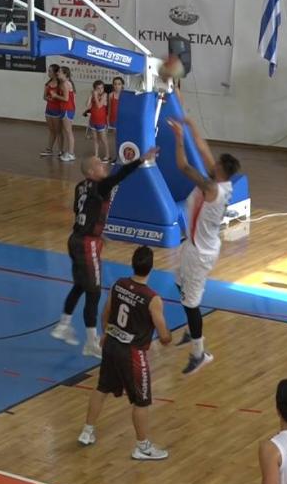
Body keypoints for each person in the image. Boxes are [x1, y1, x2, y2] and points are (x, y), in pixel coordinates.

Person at [51, 147, 159, 357]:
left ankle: (63, 324)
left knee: (81, 285)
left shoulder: (81, 186)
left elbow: (81, 212)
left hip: (76, 239)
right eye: (99, 164)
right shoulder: (101, 186)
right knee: (94, 292)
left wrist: (99, 233)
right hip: (86, 243)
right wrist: (141, 160)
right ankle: (91, 343)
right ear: (91, 172)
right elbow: (122, 174)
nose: (104, 165)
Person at [77, 245, 172, 460]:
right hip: (133, 353)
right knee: (141, 400)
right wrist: (169, 339)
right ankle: (142, 447)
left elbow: (105, 313)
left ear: (133, 264)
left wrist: (105, 333)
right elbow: (164, 336)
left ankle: (87, 431)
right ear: (151, 268)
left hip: (111, 344)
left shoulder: (118, 285)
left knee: (102, 388)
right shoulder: (152, 299)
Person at [167, 116, 240, 375]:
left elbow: (183, 165)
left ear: (219, 170)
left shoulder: (210, 187)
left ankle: (199, 353)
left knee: (191, 304)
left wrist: (178, 138)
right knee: (177, 279)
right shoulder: (223, 182)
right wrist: (190, 124)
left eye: (215, 163)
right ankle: (190, 329)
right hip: (196, 245)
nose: (211, 162)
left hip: (200, 254)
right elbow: (203, 148)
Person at [51, 66, 76, 162]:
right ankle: (69, 152)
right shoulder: (65, 83)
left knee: (68, 132)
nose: (57, 73)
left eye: (60, 72)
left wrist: (55, 95)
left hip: (67, 109)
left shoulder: (65, 84)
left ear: (65, 74)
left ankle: (71, 154)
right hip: (66, 109)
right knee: (67, 131)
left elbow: (66, 98)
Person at [83, 80, 110, 162]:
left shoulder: (105, 95)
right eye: (98, 88)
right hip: (93, 120)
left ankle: (107, 155)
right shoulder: (94, 95)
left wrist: (95, 96)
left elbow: (99, 105)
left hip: (101, 121)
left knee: (103, 139)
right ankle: (96, 154)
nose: (100, 90)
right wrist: (91, 95)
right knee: (95, 139)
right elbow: (87, 106)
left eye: (102, 88)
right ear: (94, 89)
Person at [40, 64, 64, 158]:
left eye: (50, 71)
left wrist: (56, 97)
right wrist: (49, 98)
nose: (48, 73)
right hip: (48, 110)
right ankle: (49, 150)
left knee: (58, 131)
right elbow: (44, 97)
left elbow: (64, 98)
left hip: (57, 110)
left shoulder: (61, 84)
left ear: (55, 73)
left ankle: (61, 151)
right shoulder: (48, 84)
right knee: (51, 131)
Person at [105, 77, 124, 156]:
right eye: (115, 84)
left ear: (122, 85)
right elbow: (109, 107)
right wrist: (108, 118)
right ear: (113, 85)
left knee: (122, 137)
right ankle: (117, 155)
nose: (117, 86)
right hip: (114, 118)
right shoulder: (111, 95)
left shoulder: (125, 95)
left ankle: (123, 154)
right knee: (116, 138)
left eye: (119, 84)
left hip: (122, 119)